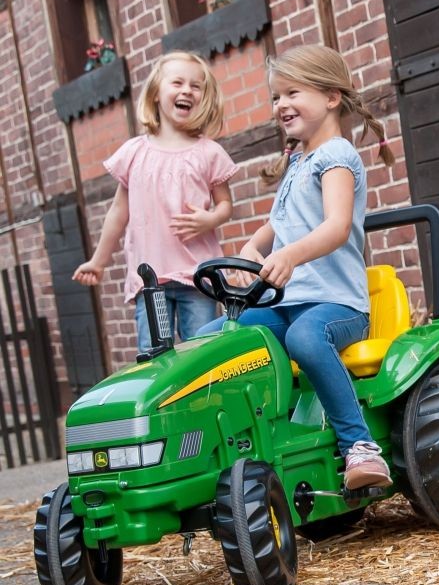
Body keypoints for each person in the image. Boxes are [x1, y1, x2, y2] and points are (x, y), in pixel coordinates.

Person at [197, 44, 395, 490]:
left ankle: (360, 447)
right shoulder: (300, 161)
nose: (281, 105)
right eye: (275, 97)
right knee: (217, 339)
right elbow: (278, 222)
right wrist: (253, 247)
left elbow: (337, 226)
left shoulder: (337, 156)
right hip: (286, 305)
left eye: (292, 93)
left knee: (307, 338)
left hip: (336, 306)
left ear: (330, 97)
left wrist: (288, 255)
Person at [73, 51, 236, 353]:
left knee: (199, 353)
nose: (187, 90)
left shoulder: (208, 153)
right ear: (156, 94)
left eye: (196, 86)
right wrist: (98, 260)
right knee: (153, 357)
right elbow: (119, 211)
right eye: (177, 82)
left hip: (196, 278)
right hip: (150, 281)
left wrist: (210, 219)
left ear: (205, 98)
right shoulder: (135, 152)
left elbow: (226, 204)